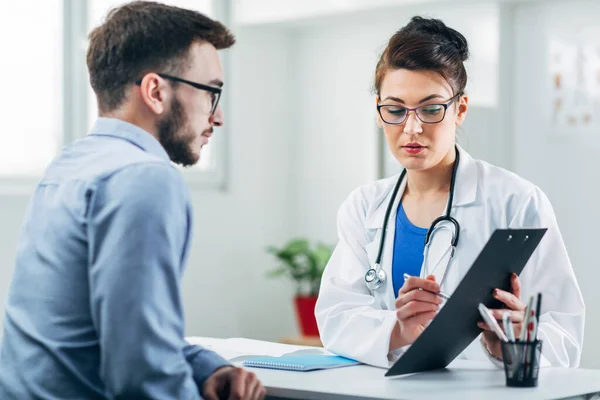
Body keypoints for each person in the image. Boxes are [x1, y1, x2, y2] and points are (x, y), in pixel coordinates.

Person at [0, 2, 265, 399]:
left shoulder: (70, 166)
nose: (218, 116)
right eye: (211, 92)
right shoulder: (144, 177)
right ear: (156, 91)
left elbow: (111, 331)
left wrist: (204, 365)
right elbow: (143, 374)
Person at [315, 16, 585, 369]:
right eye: (395, 110)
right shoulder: (364, 207)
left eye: (431, 109)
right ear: (379, 113)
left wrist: (509, 342)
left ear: (460, 109)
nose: (412, 127)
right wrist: (401, 330)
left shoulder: (516, 203)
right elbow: (336, 316)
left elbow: (564, 336)